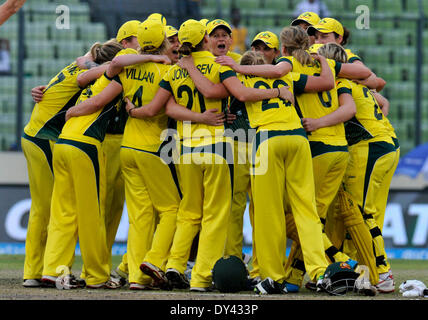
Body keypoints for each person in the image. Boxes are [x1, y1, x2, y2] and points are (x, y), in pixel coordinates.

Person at [124, 19, 292, 292]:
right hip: (215, 147)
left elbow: (164, 108)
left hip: (184, 149)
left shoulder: (175, 70)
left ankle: (174, 264)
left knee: (189, 213)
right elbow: (236, 93)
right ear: (205, 39)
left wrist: (134, 111)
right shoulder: (220, 67)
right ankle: (201, 278)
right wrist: (277, 91)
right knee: (215, 216)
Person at [21, 40, 123, 288]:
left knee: (57, 209)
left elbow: (86, 60)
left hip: (47, 138)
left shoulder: (87, 65)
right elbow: (94, 72)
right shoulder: (98, 74)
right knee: (55, 210)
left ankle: (49, 270)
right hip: (48, 138)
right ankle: (44, 272)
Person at [233, 49, 335, 295]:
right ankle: (320, 271)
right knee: (306, 210)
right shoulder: (287, 76)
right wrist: (323, 61)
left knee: (270, 215)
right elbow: (325, 82)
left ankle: (272, 277)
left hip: (268, 139)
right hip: (298, 139)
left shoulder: (240, 77)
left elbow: (228, 92)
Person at [319, 42, 397, 293]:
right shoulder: (357, 85)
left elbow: (348, 110)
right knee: (357, 211)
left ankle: (382, 272)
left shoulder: (339, 84)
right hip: (385, 143)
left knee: (360, 213)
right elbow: (383, 100)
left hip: (370, 147)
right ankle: (362, 270)